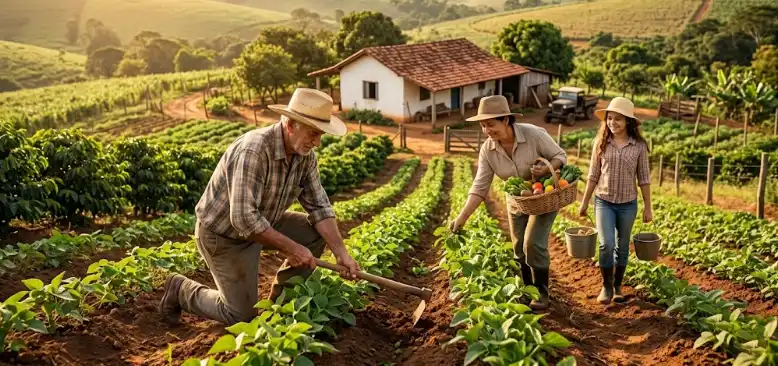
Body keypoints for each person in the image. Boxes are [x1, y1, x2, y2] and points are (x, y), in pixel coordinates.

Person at [158, 88, 361, 325]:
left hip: (264, 222)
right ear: (291, 124)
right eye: (313, 133)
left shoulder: (305, 157)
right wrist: (291, 248)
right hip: (225, 236)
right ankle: (181, 289)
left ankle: (279, 309)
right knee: (240, 316)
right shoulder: (254, 150)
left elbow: (320, 207)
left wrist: (342, 254)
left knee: (314, 234)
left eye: (321, 135)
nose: (316, 142)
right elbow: (243, 219)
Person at [448, 95, 567, 310]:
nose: (487, 131)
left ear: (506, 120)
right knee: (518, 248)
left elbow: (560, 155)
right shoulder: (488, 149)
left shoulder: (533, 135)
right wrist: (461, 217)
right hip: (517, 201)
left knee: (533, 243)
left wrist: (548, 165)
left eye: (491, 124)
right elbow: (480, 187)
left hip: (544, 197)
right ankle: (527, 290)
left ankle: (542, 293)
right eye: (483, 126)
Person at [579, 97, 653, 305]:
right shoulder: (601, 143)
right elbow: (593, 175)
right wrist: (584, 203)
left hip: (628, 204)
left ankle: (618, 286)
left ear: (628, 121)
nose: (612, 123)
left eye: (618, 119)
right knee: (606, 244)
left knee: (622, 247)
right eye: (610, 119)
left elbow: (644, 179)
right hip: (604, 202)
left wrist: (648, 208)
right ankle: (606, 286)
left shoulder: (638, 146)